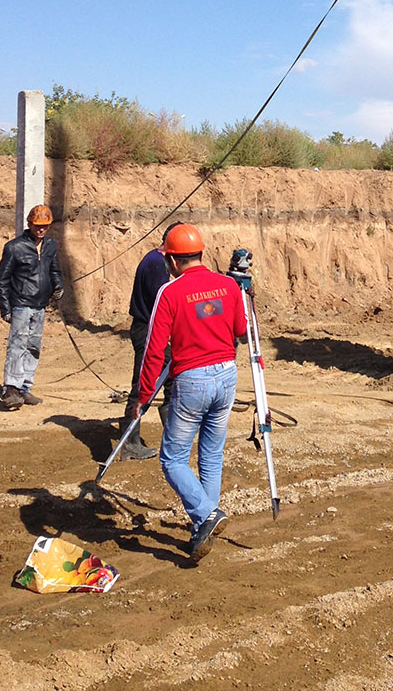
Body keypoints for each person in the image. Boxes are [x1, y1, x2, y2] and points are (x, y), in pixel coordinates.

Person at [136, 223, 246, 562]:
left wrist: (143, 396)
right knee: (211, 456)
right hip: (227, 376)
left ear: (170, 260)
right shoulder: (228, 285)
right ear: (201, 254)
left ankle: (205, 515)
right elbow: (241, 330)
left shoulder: (170, 293)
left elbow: (154, 351)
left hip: (192, 382)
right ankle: (205, 523)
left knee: (172, 459)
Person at [116, 221, 183, 461]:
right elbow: (163, 303)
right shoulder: (157, 264)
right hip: (147, 330)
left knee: (171, 380)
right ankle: (130, 443)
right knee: (143, 385)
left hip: (149, 328)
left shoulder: (156, 260)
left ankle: (172, 437)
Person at [0, 204, 64, 410]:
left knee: (33, 347)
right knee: (17, 345)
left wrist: (58, 285)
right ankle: (11, 389)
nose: (41, 229)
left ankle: (25, 387)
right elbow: (2, 280)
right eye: (37, 226)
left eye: (44, 226)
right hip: (21, 304)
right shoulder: (14, 247)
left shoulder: (50, 246)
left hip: (39, 306)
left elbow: (54, 271)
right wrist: (5, 308)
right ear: (29, 224)